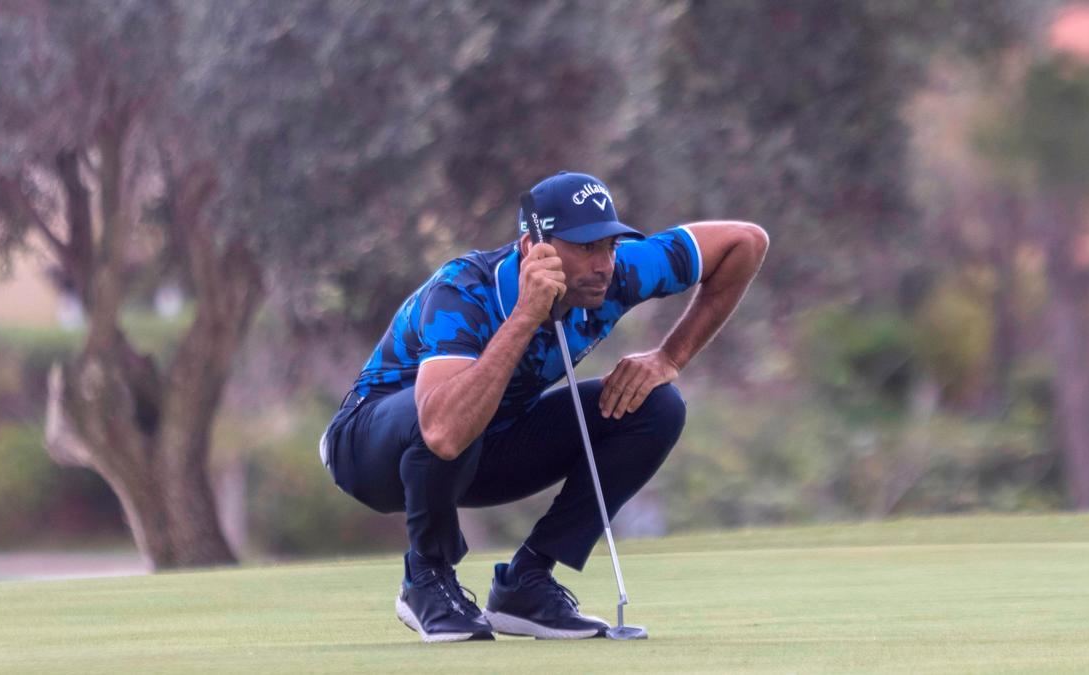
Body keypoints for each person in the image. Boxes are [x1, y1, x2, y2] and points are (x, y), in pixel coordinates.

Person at [320, 171, 768, 642]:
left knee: (657, 405)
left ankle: (527, 583)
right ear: (533, 247)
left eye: (611, 245)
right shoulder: (464, 292)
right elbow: (442, 431)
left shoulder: (616, 276)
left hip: (481, 447)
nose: (604, 264)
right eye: (586, 247)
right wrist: (526, 315)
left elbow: (745, 242)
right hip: (370, 451)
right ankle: (426, 577)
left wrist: (669, 357)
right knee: (445, 412)